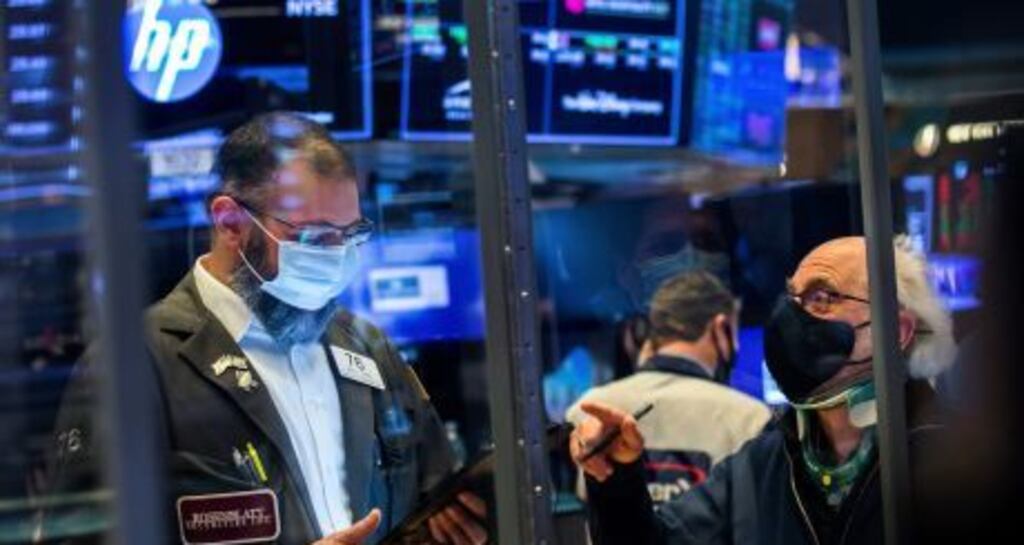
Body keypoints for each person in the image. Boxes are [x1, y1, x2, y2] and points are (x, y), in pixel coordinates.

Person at [47, 113, 486, 545]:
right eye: (315, 238)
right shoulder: (136, 364)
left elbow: (432, 496)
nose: (337, 257)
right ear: (230, 222)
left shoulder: (368, 348)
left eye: (351, 235)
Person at [570, 236, 956, 545]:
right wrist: (617, 479)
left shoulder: (954, 461)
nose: (792, 316)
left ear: (896, 330)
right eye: (792, 297)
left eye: (821, 297)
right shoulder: (760, 465)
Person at [566, 271, 770, 504]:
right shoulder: (750, 418)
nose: (736, 345)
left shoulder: (590, 407)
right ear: (720, 327)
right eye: (734, 333)